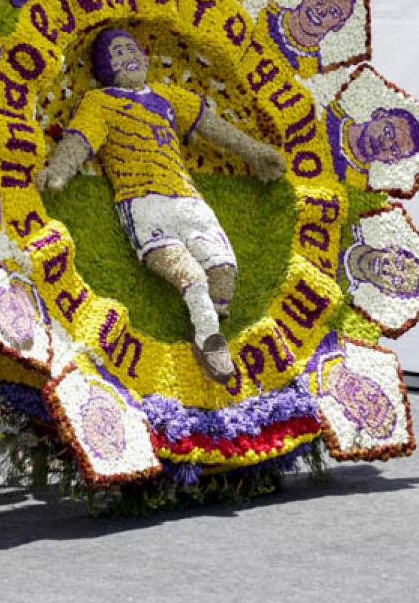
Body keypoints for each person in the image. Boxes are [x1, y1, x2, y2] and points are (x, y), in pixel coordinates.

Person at [36, 27, 285, 384]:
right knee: (191, 276)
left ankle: (208, 328)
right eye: (117, 54)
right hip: (144, 203)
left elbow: (214, 127)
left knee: (223, 271)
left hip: (190, 201)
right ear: (105, 67)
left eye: (131, 49)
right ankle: (209, 340)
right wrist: (58, 171)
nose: (128, 58)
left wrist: (256, 152)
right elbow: (80, 140)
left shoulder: (170, 98)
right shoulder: (100, 102)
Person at [266, 0, 356, 76]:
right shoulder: (264, 12)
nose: (321, 10)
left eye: (333, 11)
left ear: (338, 25)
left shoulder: (310, 72)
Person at [326, 100, 419, 184]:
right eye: (388, 132)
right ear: (379, 114)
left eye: (394, 150)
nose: (385, 144)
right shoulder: (328, 110)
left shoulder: (354, 186)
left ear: (391, 161)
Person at [342, 225, 419, 298]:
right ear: (394, 249)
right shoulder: (352, 225)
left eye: (396, 280)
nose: (386, 268)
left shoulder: (342, 296)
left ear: (388, 292)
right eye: (398, 263)